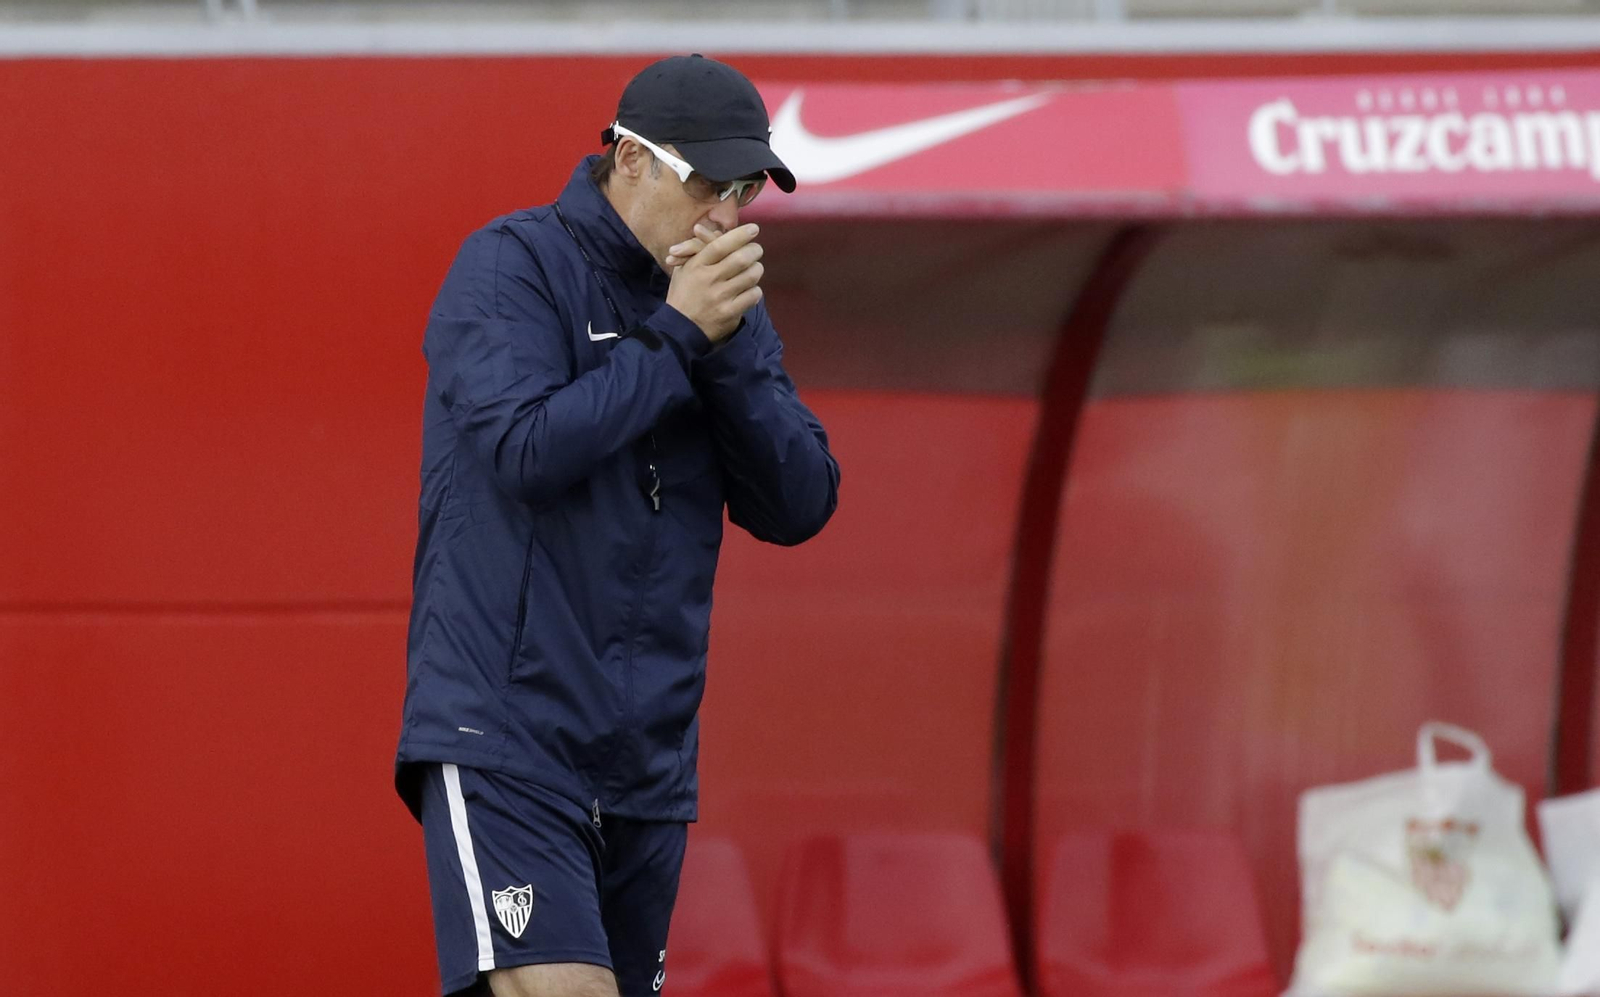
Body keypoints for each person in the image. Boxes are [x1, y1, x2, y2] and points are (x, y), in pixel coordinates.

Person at [394, 54, 840, 997]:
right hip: (507, 735)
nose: (728, 212)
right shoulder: (511, 264)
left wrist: (721, 353)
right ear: (629, 160)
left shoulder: (721, 316)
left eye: (747, 188)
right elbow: (525, 449)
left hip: (646, 765)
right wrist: (677, 337)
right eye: (708, 183)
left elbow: (801, 501)